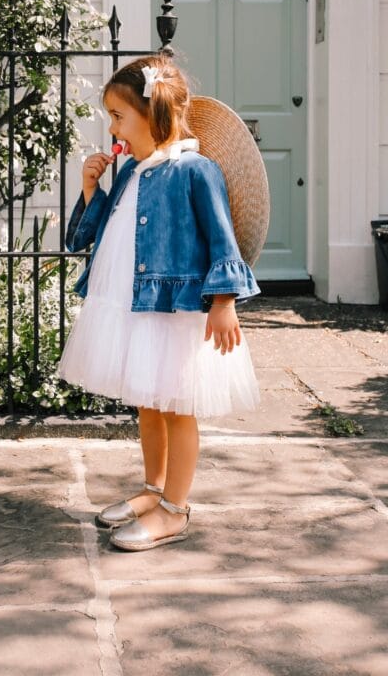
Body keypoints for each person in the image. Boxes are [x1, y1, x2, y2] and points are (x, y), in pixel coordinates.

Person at [58, 54, 261, 552]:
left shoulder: (196, 171)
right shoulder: (129, 171)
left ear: (155, 117)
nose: (112, 126)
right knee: (148, 402)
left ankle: (175, 508)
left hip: (176, 312)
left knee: (177, 407)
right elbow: (93, 234)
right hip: (137, 307)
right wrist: (91, 190)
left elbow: (222, 240)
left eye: (118, 116)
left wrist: (223, 301)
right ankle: (153, 490)